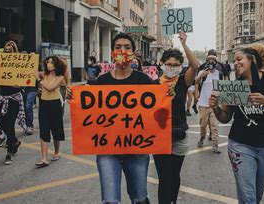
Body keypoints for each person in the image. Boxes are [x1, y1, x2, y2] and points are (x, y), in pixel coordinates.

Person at [209, 43, 264, 203]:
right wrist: (215, 108)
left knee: (257, 193)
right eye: (234, 60)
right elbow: (225, 117)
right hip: (240, 145)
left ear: (252, 59)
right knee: (248, 196)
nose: (235, 63)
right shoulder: (234, 86)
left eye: (239, 59)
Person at [95, 33, 152, 204]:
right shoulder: (101, 81)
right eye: (118, 47)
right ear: (112, 52)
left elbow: (155, 112)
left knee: (140, 198)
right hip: (108, 150)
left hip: (137, 149)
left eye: (127, 47)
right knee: (110, 201)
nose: (122, 50)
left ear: (133, 53)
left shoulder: (144, 80)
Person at [154, 31, 199, 204]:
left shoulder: (182, 82)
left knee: (174, 175)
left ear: (180, 66)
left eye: (175, 65)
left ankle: (172, 200)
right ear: (162, 64)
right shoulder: (153, 85)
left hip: (180, 135)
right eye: (168, 64)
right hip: (159, 137)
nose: (172, 67)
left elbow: (195, 66)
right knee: (164, 177)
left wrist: (184, 44)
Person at [0, 41, 26, 165]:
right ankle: (15, 141)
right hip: (1, 97)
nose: (7, 52)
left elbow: (26, 80)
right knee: (0, 123)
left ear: (14, 52)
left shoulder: (19, 64)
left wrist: (19, 84)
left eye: (10, 50)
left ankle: (9, 152)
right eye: (5, 50)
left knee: (9, 124)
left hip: (14, 98)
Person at [35, 56, 69, 168]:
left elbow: (50, 88)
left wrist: (39, 80)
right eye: (47, 62)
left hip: (55, 104)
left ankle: (56, 151)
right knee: (44, 129)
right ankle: (44, 158)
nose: (49, 64)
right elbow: (31, 72)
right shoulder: (43, 74)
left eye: (51, 62)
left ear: (56, 64)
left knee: (56, 129)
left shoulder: (60, 77)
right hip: (43, 104)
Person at [195, 53, 225, 154]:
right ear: (206, 62)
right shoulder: (202, 72)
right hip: (203, 104)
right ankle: (202, 137)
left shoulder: (219, 74)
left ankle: (215, 145)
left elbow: (223, 87)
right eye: (209, 60)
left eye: (213, 60)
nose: (211, 62)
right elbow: (195, 83)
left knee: (214, 126)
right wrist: (201, 76)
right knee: (203, 125)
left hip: (214, 105)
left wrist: (220, 97)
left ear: (216, 62)